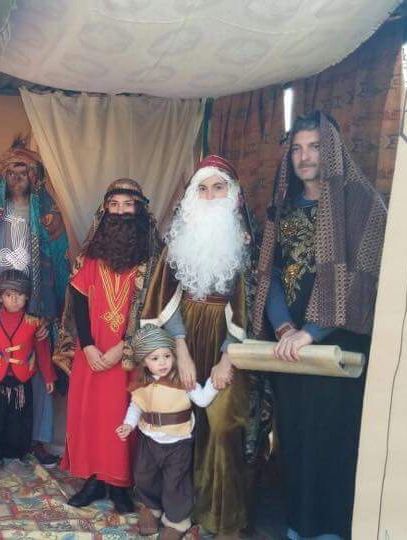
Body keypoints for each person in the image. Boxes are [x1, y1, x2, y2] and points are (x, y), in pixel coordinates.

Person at [251, 111, 387, 539]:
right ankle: (298, 526)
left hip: (337, 347)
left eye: (314, 147)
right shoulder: (284, 207)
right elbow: (271, 272)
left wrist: (312, 332)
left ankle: (331, 530)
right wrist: (283, 328)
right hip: (290, 348)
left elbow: (362, 278)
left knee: (332, 440)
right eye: (297, 148)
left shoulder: (363, 205)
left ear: (333, 151)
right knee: (295, 438)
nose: (305, 157)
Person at [140, 155, 272, 536]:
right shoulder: (176, 241)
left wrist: (228, 356)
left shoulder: (247, 243)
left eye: (218, 188)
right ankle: (166, 506)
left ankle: (218, 517)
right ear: (192, 196)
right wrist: (180, 351)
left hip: (228, 342)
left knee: (222, 423)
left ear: (232, 194)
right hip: (181, 337)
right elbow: (163, 299)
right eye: (203, 189)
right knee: (171, 416)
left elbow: (249, 306)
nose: (211, 196)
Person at [55, 178, 172, 513]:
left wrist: (123, 348)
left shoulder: (153, 259)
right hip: (91, 352)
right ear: (104, 210)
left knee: (123, 415)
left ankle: (120, 484)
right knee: (91, 416)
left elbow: (155, 309)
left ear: (139, 210)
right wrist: (89, 347)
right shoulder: (90, 256)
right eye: (114, 205)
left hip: (130, 355)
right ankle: (94, 480)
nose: (120, 212)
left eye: (127, 204)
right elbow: (78, 301)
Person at [0, 136, 70, 467]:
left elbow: (59, 265)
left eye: (24, 171)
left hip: (35, 304)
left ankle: (36, 439)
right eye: (12, 171)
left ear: (36, 176)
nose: (18, 177)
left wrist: (49, 312)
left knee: (35, 366)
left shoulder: (48, 217)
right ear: (2, 176)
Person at [116, 324, 222, 540]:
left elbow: (202, 400)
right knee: (144, 476)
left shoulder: (183, 380)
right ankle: (151, 508)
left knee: (176, 482)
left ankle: (176, 520)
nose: (162, 362)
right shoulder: (141, 383)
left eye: (167, 356)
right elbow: (136, 406)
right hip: (149, 440)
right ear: (144, 361)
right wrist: (128, 424)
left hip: (178, 443)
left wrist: (215, 383)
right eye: (154, 358)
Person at [0, 270, 56, 479]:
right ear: (0, 297)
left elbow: (42, 351)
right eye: (8, 295)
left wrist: (49, 377)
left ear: (27, 297)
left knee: (19, 422)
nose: (14, 299)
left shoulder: (34, 323)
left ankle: (14, 459)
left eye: (19, 294)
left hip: (20, 381)